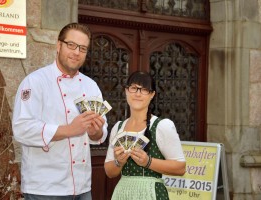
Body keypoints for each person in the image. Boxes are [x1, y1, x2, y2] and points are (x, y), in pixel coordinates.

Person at [12, 23, 108, 200]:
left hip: (82, 186)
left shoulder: (91, 86)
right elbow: (22, 128)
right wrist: (70, 130)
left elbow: (100, 135)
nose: (76, 52)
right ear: (58, 45)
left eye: (82, 48)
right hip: (44, 188)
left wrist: (96, 132)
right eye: (71, 45)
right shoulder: (35, 82)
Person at [104, 71, 186, 200]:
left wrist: (148, 162)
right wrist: (118, 162)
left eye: (144, 90)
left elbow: (180, 168)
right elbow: (109, 172)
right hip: (122, 193)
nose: (137, 93)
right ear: (126, 91)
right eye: (133, 88)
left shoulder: (162, 126)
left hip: (151, 193)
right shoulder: (118, 127)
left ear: (152, 95)